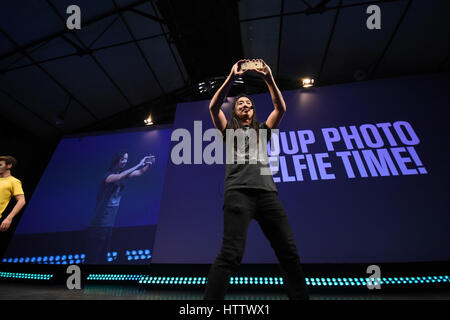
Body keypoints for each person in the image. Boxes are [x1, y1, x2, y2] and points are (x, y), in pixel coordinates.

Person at [205, 59, 309, 300]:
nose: (244, 105)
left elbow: (280, 109)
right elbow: (213, 108)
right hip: (238, 193)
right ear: (235, 111)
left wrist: (268, 77)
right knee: (230, 254)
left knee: (289, 253)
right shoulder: (228, 130)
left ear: (252, 111)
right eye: (240, 103)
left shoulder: (263, 130)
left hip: (267, 195)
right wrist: (231, 77)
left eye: (248, 103)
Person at [86, 152, 154, 264]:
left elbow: (140, 172)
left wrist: (148, 164)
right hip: (99, 223)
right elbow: (119, 176)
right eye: (122, 159)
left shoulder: (123, 174)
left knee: (103, 255)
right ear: (116, 160)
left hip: (109, 223)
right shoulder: (108, 176)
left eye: (126, 159)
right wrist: (138, 164)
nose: (125, 161)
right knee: (94, 255)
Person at [0, 155, 26, 233]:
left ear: (9, 165)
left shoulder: (14, 182)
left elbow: (21, 201)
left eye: (0, 165)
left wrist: (9, 218)